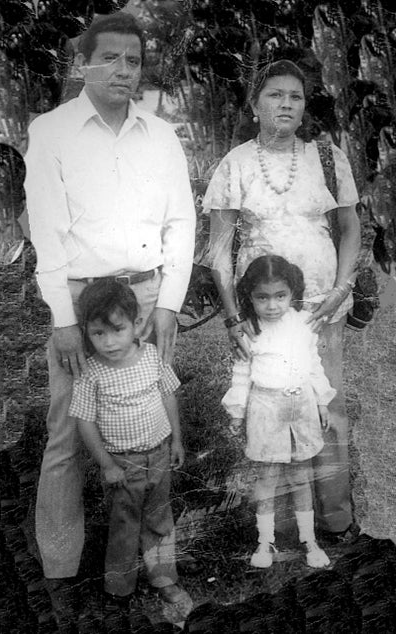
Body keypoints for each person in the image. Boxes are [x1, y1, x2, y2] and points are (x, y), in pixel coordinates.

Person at [23, 10, 195, 608]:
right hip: (81, 301)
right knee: (69, 428)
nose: (124, 70)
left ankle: (155, 564)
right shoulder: (51, 131)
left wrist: (169, 303)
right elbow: (45, 230)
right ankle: (61, 568)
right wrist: (65, 321)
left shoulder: (162, 135)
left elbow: (182, 223)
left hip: (146, 297)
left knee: (149, 415)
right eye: (112, 58)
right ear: (83, 63)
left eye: (134, 60)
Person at [203, 59, 361, 542]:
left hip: (319, 310)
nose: (286, 103)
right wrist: (233, 318)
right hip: (263, 313)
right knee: (268, 408)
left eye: (294, 95)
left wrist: (339, 289)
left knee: (322, 402)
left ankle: (335, 516)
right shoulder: (235, 164)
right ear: (255, 105)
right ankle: (284, 526)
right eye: (274, 94)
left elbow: (351, 228)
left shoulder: (327, 157)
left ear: (304, 105)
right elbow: (218, 250)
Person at [68, 278, 192, 613]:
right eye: (98, 333)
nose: (108, 342)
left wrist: (176, 439)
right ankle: (119, 586)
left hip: (160, 453)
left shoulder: (151, 356)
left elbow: (168, 395)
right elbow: (85, 421)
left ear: (137, 323)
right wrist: (106, 464)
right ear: (86, 331)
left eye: (117, 330)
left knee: (159, 517)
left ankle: (164, 579)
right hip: (124, 463)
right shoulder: (90, 372)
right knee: (125, 523)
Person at [222, 255, 336, 568]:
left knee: (301, 476)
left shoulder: (303, 322)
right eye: (262, 297)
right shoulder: (248, 330)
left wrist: (322, 400)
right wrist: (237, 412)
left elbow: (313, 363)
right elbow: (242, 374)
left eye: (280, 296)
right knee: (267, 478)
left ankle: (309, 540)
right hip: (265, 408)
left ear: (292, 293)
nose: (272, 306)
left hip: (301, 407)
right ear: (250, 297)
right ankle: (264, 541)